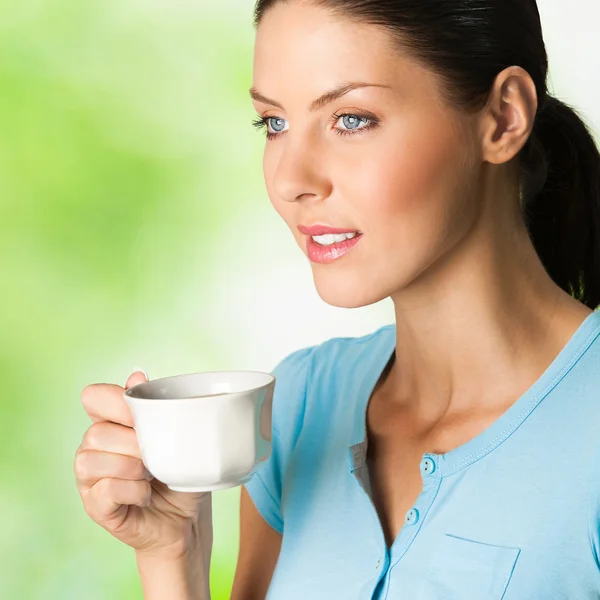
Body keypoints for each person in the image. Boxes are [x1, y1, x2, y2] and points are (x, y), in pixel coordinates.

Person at [74, 0, 600, 598]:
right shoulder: (298, 404)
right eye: (273, 123)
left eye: (350, 119)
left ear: (502, 118)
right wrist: (172, 555)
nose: (291, 180)